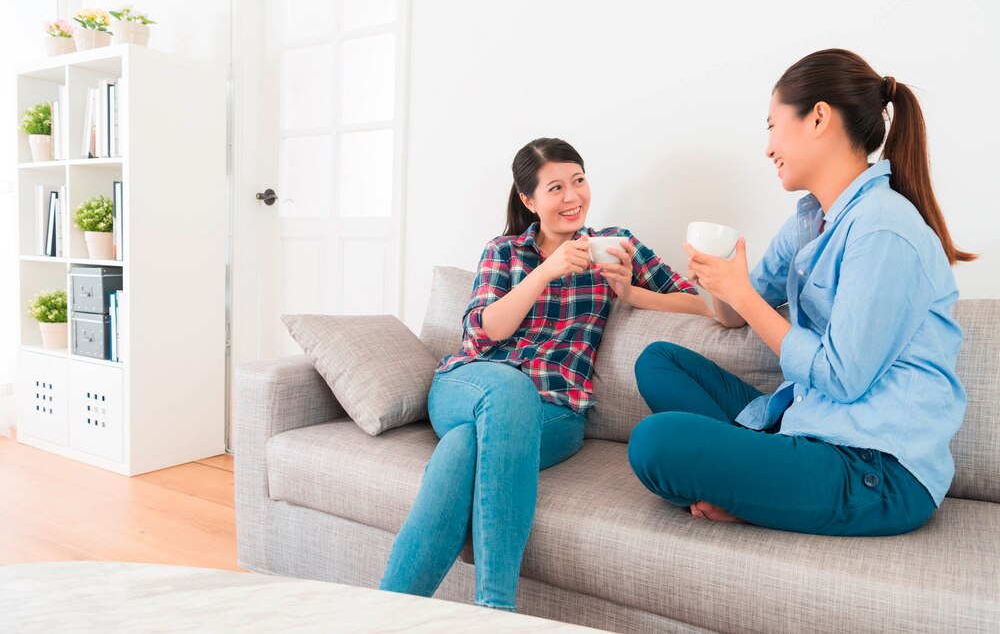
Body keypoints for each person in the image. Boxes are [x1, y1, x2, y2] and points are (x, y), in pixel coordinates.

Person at [628, 49, 975, 536]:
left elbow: (842, 377)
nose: (767, 147)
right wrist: (720, 278)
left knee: (654, 444)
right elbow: (733, 316)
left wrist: (742, 296)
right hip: (811, 424)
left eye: (771, 126)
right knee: (659, 361)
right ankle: (755, 483)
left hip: (877, 469)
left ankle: (751, 486)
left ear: (817, 118)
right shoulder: (811, 221)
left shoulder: (883, 228)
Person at [380, 137, 710, 610]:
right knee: (506, 386)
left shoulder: (615, 247)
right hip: (470, 385)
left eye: (578, 180)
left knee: (462, 449)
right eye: (556, 187)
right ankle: (497, 610)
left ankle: (384, 615)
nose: (573, 196)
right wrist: (544, 273)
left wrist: (634, 295)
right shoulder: (505, 251)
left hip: (555, 413)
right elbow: (480, 334)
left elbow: (701, 305)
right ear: (529, 200)